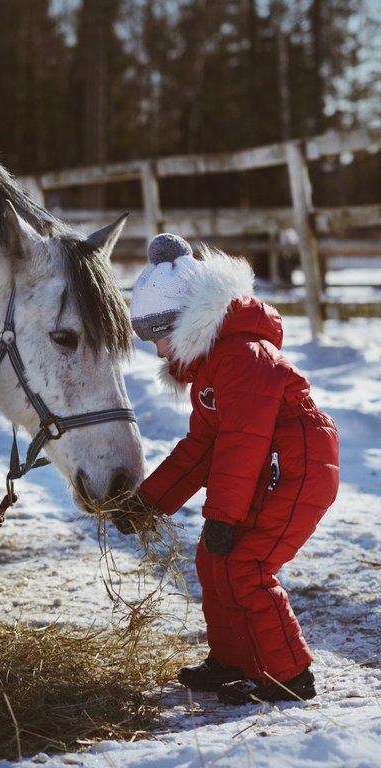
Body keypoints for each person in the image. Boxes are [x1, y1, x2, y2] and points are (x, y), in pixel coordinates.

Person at [123, 233, 340, 705]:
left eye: (161, 338)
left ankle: (289, 676)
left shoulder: (243, 357)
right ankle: (234, 660)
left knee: (248, 566)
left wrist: (222, 515)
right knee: (213, 559)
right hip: (271, 469)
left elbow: (243, 444)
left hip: (296, 472)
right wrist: (147, 503)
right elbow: (203, 448)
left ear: (189, 324)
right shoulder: (213, 370)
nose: (159, 352)